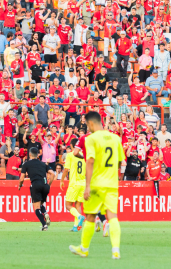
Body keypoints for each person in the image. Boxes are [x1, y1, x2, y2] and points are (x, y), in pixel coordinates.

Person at [70, 111, 123, 259]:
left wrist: (87, 186)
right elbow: (120, 161)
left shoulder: (91, 139)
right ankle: (116, 250)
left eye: (87, 124)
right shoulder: (115, 138)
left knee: (91, 216)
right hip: (112, 183)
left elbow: (90, 160)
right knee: (112, 216)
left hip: (97, 183)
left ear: (91, 123)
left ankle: (84, 249)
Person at [18, 145, 55, 230]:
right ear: (38, 154)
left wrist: (20, 185)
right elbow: (52, 173)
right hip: (45, 185)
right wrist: (49, 185)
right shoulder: (43, 164)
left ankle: (44, 225)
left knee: (36, 207)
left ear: (30, 154)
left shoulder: (26, 164)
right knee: (41, 203)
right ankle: (45, 212)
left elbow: (21, 178)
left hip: (35, 185)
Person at [62, 139, 87, 231]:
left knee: (68, 205)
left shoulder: (70, 155)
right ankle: (76, 226)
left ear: (72, 146)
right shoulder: (84, 156)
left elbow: (65, 169)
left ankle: (80, 217)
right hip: (83, 183)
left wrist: (61, 180)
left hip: (74, 183)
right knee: (78, 205)